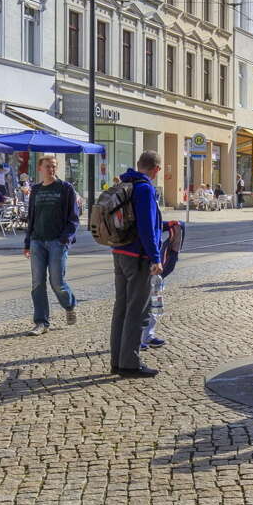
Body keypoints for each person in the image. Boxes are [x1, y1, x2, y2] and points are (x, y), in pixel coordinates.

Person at [110, 151, 164, 378]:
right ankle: (130, 363)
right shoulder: (145, 188)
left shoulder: (125, 184)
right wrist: (155, 257)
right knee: (136, 310)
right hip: (138, 256)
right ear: (156, 169)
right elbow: (146, 226)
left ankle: (117, 360)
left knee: (121, 308)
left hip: (119, 250)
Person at [23, 155, 80, 336]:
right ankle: (41, 322)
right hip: (37, 241)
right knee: (37, 283)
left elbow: (73, 218)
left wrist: (65, 238)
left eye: (54, 166)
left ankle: (69, 305)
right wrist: (27, 241)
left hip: (57, 241)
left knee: (57, 282)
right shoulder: (36, 190)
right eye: (48, 166)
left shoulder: (66, 188)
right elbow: (31, 217)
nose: (51, 169)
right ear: (40, 168)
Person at [141, 215, 185, 351]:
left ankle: (148, 335)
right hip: (148, 262)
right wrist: (155, 259)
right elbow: (146, 226)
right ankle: (138, 338)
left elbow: (154, 224)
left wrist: (166, 225)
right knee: (144, 303)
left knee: (155, 304)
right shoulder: (145, 194)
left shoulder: (151, 197)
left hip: (155, 266)